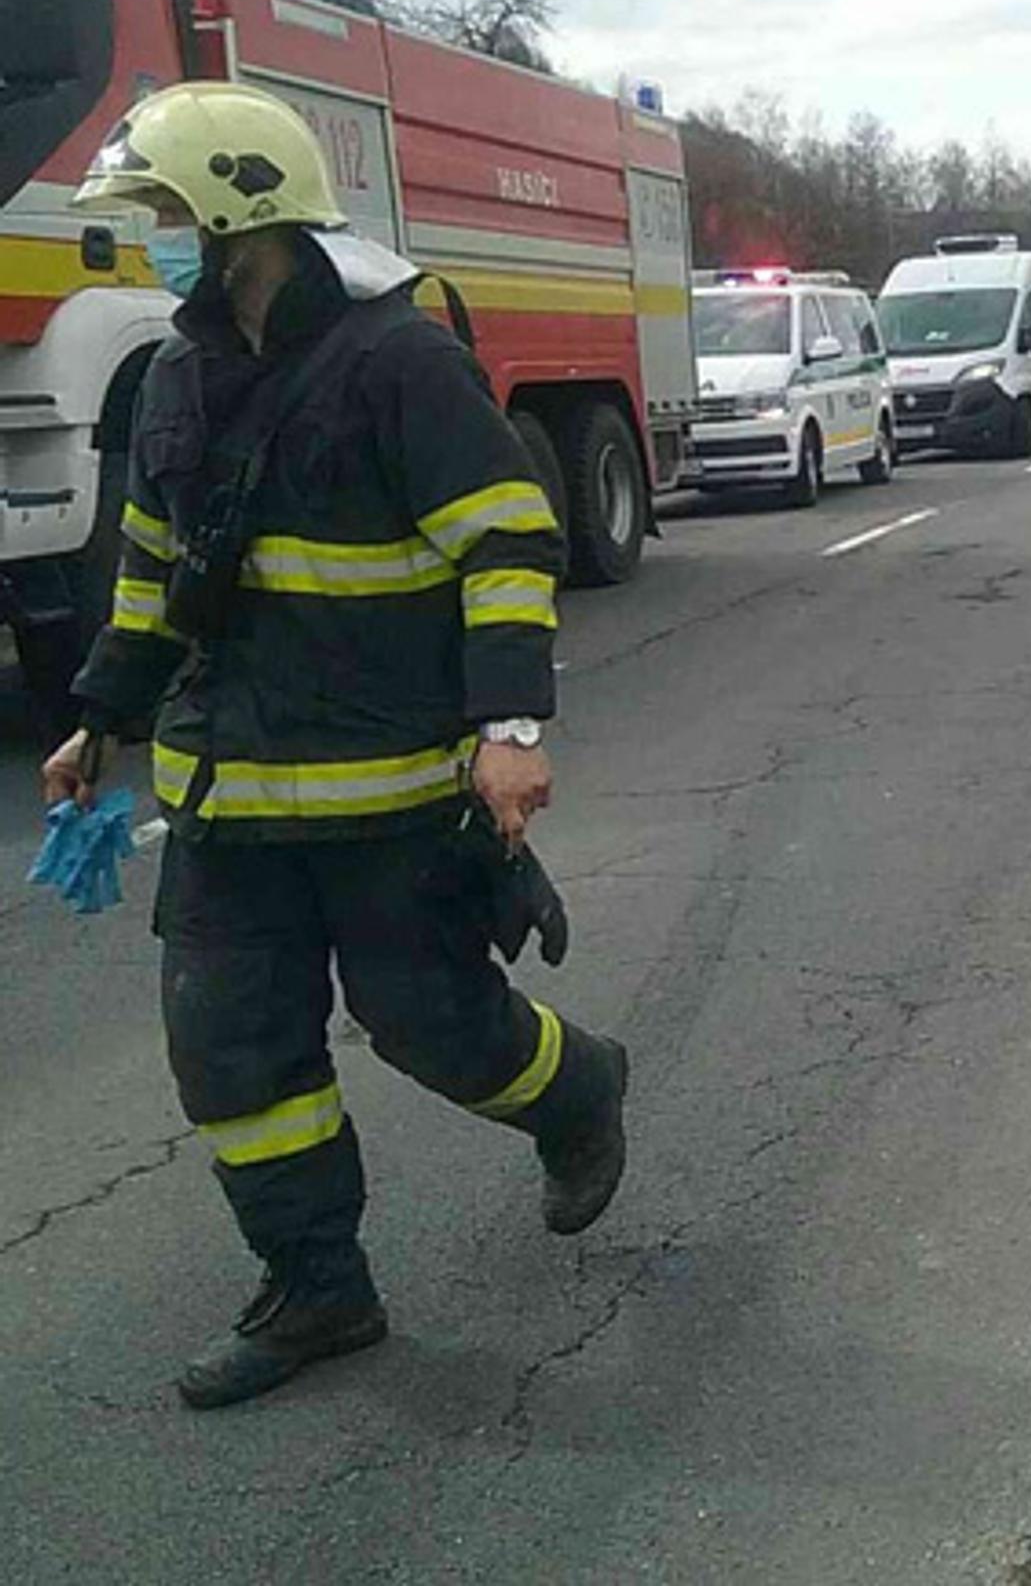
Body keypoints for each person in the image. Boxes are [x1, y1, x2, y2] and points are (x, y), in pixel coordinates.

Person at [38, 83, 629, 1410]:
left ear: (247, 214)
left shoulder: (400, 362)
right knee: (232, 1057)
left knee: (434, 1028)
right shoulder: (178, 374)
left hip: (387, 794)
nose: (154, 241)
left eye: (171, 214)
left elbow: (507, 543)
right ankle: (319, 1289)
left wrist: (511, 728)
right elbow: (151, 570)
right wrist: (102, 714)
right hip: (224, 803)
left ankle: (578, 1092)